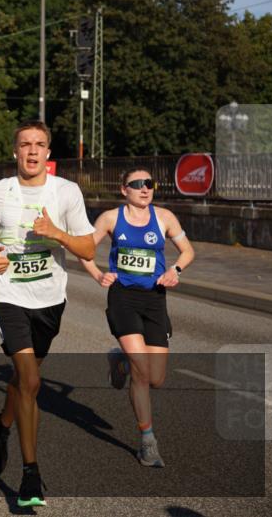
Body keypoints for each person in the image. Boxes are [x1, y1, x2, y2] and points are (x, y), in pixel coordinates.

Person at [0, 120, 95, 507]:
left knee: (25, 382)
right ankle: (31, 476)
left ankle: (1, 426)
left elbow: (87, 250)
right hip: (9, 296)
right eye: (25, 144)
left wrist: (57, 234)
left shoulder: (66, 192)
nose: (33, 151)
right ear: (15, 151)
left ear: (49, 153)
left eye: (40, 144)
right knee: (31, 381)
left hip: (50, 299)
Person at [80, 168, 195, 468]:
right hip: (123, 298)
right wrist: (96, 274)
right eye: (137, 184)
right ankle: (148, 441)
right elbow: (84, 249)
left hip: (155, 300)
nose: (145, 189)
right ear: (124, 190)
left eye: (149, 184)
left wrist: (175, 271)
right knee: (141, 369)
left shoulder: (165, 218)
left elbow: (187, 251)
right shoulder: (110, 219)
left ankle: (119, 359)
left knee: (155, 378)